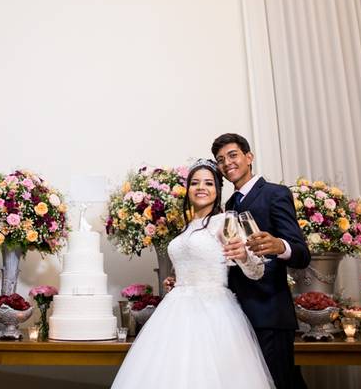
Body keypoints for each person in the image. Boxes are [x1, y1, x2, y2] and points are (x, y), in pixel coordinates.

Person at [111, 159, 274, 389]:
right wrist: (177, 279)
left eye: (208, 183)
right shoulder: (187, 227)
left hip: (213, 310)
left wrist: (245, 257)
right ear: (187, 189)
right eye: (195, 182)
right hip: (176, 308)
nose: (201, 187)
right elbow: (195, 261)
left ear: (217, 190)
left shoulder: (225, 222)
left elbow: (257, 271)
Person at [212, 133, 311, 389]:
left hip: (270, 312)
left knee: (280, 381)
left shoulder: (274, 194)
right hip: (239, 313)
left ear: (249, 157)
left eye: (233, 155)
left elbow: (302, 253)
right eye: (220, 159)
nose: (227, 163)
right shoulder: (229, 204)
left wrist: (281, 246)